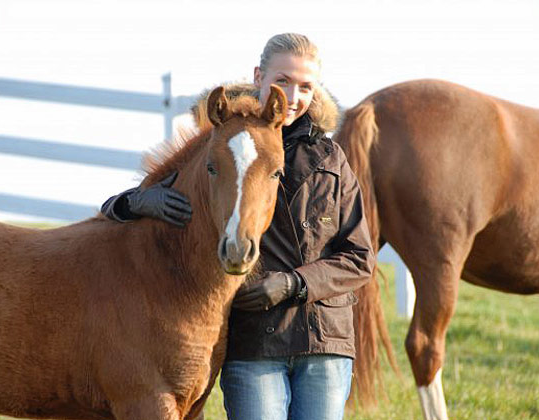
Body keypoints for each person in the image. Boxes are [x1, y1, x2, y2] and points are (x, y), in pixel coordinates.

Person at [101, 33, 374, 420]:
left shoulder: (331, 159)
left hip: (323, 340)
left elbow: (359, 258)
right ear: (259, 76)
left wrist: (294, 284)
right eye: (282, 81)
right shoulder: (225, 143)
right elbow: (121, 207)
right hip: (255, 343)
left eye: (305, 86)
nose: (292, 96)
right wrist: (137, 201)